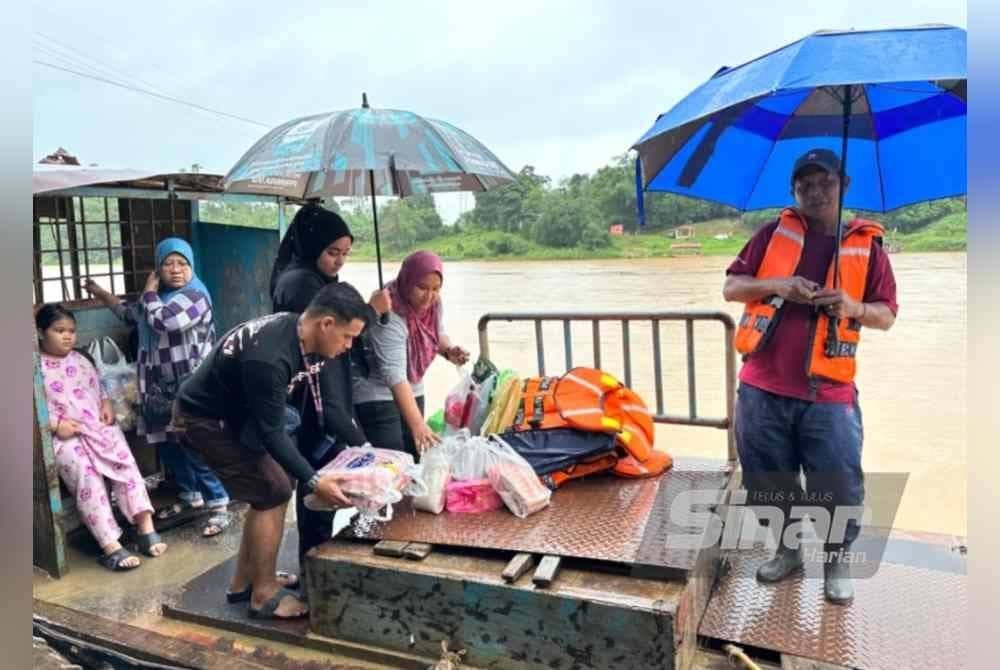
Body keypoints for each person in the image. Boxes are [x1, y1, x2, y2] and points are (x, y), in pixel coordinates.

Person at [722, 148, 898, 605]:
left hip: (830, 392)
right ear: (793, 191)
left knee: (836, 482)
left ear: (845, 186)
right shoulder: (769, 235)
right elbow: (732, 287)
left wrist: (853, 307)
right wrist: (779, 285)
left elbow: (887, 315)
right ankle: (788, 549)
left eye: (826, 183)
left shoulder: (868, 247)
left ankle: (837, 559)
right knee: (766, 480)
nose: (816, 192)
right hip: (762, 386)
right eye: (805, 185)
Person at [172, 282, 369, 620]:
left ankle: (243, 582)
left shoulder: (295, 329)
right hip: (203, 420)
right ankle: (263, 594)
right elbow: (273, 434)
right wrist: (316, 480)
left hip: (233, 415)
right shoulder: (271, 357)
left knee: (275, 485)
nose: (348, 346)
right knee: (272, 490)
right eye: (347, 337)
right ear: (326, 324)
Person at [269, 202, 390, 591]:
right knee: (315, 492)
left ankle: (312, 575)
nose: (338, 261)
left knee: (317, 494)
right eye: (332, 252)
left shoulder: (305, 277)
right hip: (311, 403)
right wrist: (371, 311)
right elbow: (329, 335)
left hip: (316, 400)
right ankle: (313, 580)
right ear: (312, 246)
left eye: (345, 254)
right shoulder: (301, 284)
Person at [86, 238, 231, 537]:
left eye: (182, 263)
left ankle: (218, 503)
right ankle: (191, 496)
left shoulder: (195, 296)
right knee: (167, 444)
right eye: (168, 264)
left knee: (193, 443)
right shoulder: (158, 299)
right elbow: (132, 314)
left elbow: (166, 322)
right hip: (158, 388)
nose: (176, 270)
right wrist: (102, 294)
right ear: (159, 268)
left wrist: (149, 291)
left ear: (191, 267)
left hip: (189, 386)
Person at [36, 304, 168, 571]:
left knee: (127, 465)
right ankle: (110, 545)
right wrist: (54, 425)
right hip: (63, 437)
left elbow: (99, 390)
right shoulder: (31, 367)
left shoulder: (82, 359)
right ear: (41, 332)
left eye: (71, 331)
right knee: (88, 478)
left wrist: (106, 404)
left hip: (97, 427)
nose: (67, 337)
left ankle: (145, 528)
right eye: (59, 331)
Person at [354, 251, 470, 457]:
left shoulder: (434, 305)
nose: (429, 296)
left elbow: (436, 331)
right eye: (422, 288)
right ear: (408, 281)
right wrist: (418, 424)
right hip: (377, 393)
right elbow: (394, 373)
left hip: (413, 387)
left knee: (415, 458)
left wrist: (448, 350)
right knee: (392, 460)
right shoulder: (389, 312)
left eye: (436, 289)